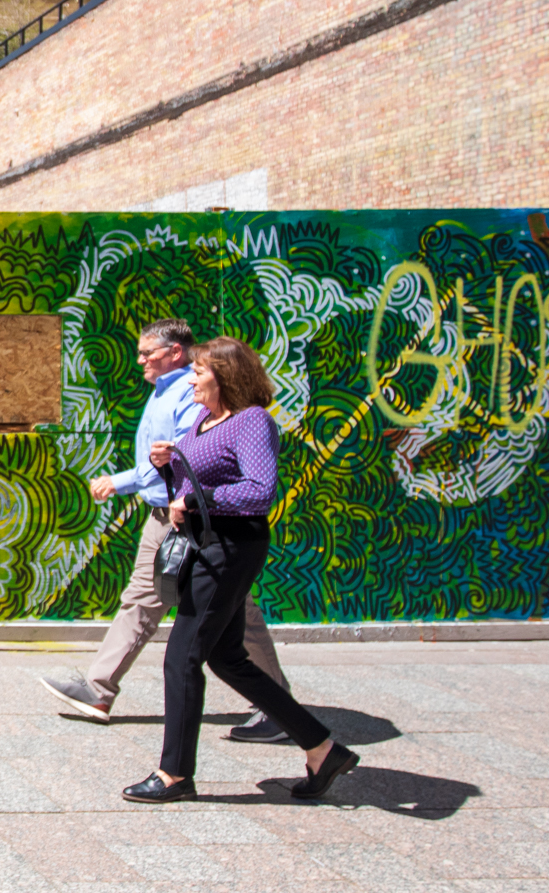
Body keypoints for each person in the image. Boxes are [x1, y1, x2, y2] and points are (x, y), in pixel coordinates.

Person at [121, 337, 357, 804]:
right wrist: (167, 468)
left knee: (181, 655)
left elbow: (259, 491)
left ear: (224, 376)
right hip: (206, 544)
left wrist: (195, 498)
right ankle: (321, 749)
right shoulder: (208, 422)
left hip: (229, 547)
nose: (191, 378)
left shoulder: (252, 422)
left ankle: (174, 775)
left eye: (200, 371)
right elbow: (194, 486)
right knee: (227, 657)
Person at [40, 319, 299, 743]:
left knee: (167, 612)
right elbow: (185, 455)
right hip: (177, 515)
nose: (140, 360)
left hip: (192, 522)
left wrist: (142, 480)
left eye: (149, 353)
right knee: (233, 614)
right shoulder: (171, 390)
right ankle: (276, 708)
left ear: (178, 353)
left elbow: (247, 484)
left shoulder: (203, 399)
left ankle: (104, 693)